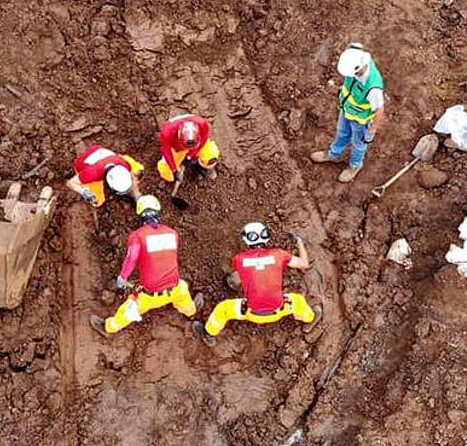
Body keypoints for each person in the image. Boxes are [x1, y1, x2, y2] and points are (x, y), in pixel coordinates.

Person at [89, 195, 204, 335]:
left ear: (140, 216)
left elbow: (132, 258)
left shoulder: (138, 236)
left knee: (131, 307)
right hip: (175, 287)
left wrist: (123, 278)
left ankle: (108, 327)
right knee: (183, 291)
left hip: (151, 294)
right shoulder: (172, 233)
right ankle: (191, 312)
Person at [194, 223, 318, 345]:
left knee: (222, 309)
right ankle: (310, 318)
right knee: (298, 301)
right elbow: (304, 264)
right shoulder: (279, 254)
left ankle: (208, 333)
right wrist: (299, 242)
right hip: (279, 310)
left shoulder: (239, 258)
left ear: (246, 240)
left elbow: (241, 273)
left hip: (251, 313)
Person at [310, 43, 385, 183]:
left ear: (359, 68)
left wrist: (372, 131)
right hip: (346, 110)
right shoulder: (354, 61)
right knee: (342, 133)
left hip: (361, 121)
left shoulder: (373, 86)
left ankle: (355, 165)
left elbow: (380, 110)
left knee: (358, 144)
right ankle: (334, 154)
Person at [65, 143, 144, 207]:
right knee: (98, 200)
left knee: (136, 169)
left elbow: (133, 176)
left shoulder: (123, 164)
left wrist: (137, 195)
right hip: (83, 163)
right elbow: (70, 183)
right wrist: (84, 191)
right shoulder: (92, 174)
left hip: (100, 152)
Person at [157, 113, 221, 183]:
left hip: (196, 147)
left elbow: (203, 139)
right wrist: (174, 170)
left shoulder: (202, 124)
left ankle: (203, 168)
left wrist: (189, 156)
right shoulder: (167, 133)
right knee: (166, 172)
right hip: (177, 149)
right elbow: (166, 151)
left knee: (211, 154)